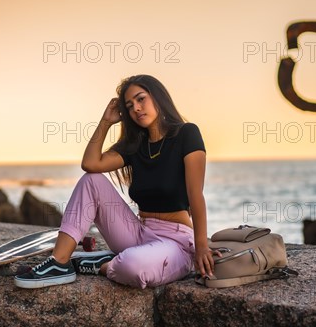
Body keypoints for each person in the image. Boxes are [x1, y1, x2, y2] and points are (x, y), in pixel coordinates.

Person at [15, 74, 219, 289]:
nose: (136, 109)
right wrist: (106, 122)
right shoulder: (135, 144)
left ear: (158, 97)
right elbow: (91, 164)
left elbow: (196, 195)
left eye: (141, 99)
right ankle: (59, 262)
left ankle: (100, 264)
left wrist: (202, 245)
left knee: (133, 266)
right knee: (91, 181)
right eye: (130, 106)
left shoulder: (187, 134)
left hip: (175, 242)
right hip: (137, 232)